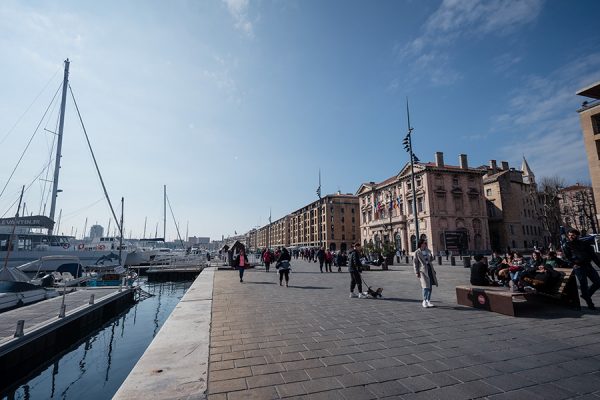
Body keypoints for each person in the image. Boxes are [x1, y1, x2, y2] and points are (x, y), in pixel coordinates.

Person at [563, 228, 600, 310]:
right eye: (569, 235)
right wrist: (573, 264)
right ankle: (590, 303)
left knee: (598, 282)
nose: (570, 236)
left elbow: (593, 256)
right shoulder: (567, 245)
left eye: (572, 235)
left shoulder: (585, 244)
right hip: (579, 267)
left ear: (577, 235)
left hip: (588, 265)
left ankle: (586, 295)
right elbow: (567, 257)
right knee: (584, 285)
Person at [413, 239, 438, 308]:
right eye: (424, 243)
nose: (425, 244)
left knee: (430, 286)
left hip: (430, 269)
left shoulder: (427, 251)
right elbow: (415, 263)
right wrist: (416, 272)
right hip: (422, 271)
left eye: (426, 243)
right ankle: (424, 300)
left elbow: (431, 260)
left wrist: (432, 256)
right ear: (421, 244)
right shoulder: (417, 252)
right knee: (425, 286)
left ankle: (428, 300)